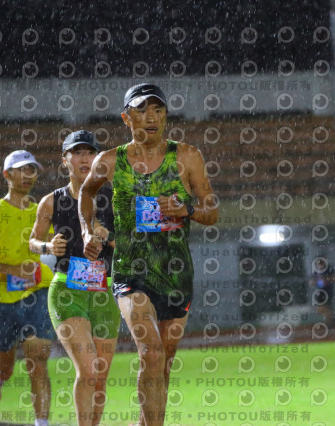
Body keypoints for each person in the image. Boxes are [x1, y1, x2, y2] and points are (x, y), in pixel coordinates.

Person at [78, 83, 218, 426]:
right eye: (142, 111)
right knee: (151, 352)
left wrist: (186, 210)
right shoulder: (110, 161)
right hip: (131, 272)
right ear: (126, 118)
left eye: (158, 110)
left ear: (166, 116)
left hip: (176, 274)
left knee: (163, 364)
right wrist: (86, 229)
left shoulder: (187, 156)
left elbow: (212, 212)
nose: (151, 117)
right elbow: (86, 193)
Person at [29, 130, 120, 426]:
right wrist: (47, 247)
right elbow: (33, 241)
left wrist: (108, 237)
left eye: (90, 153)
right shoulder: (51, 201)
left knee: (101, 376)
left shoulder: (113, 197)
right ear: (65, 160)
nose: (84, 158)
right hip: (67, 290)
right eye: (77, 153)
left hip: (104, 291)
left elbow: (133, 242)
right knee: (88, 370)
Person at [0, 150, 54, 426]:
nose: (28, 175)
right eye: (22, 169)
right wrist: (11, 269)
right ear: (7, 174)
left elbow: (53, 249)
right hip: (1, 299)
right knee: (6, 366)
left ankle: (42, 423)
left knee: (37, 360)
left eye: (32, 170)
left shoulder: (42, 212)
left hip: (37, 293)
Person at [310, 257, 335, 326]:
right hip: (319, 291)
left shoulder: (328, 269)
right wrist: (315, 282)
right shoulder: (315, 271)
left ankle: (330, 321)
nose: (319, 265)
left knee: (325, 307)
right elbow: (313, 281)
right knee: (321, 308)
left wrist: (325, 280)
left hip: (327, 290)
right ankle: (332, 318)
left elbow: (334, 278)